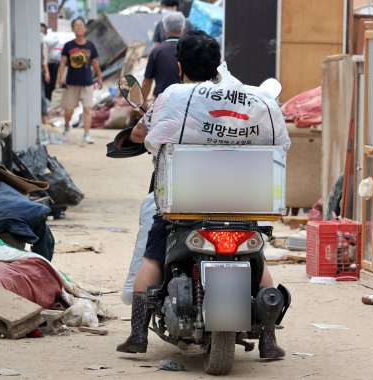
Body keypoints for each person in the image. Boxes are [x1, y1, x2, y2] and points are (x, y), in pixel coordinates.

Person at [116, 30, 290, 358]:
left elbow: (146, 135)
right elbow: (280, 143)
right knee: (258, 260)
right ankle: (268, 341)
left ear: (180, 65)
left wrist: (144, 126)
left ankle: (137, 334)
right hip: (241, 201)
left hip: (185, 206)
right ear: (217, 66)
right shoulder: (257, 101)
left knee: (153, 256)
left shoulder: (173, 97)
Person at [58, 17, 103, 144]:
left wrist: (99, 78)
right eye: (76, 25)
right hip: (71, 83)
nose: (78, 28)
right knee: (68, 110)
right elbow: (62, 63)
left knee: (87, 109)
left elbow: (95, 63)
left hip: (87, 83)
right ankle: (66, 128)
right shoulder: (68, 46)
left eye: (81, 25)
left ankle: (87, 134)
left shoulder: (90, 46)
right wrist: (61, 78)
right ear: (72, 29)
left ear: (85, 28)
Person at [142, 11, 185, 102]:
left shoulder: (157, 51)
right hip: (186, 101)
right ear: (183, 28)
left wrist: (143, 101)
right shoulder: (191, 49)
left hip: (162, 102)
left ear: (165, 29)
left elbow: (147, 81)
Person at [41, 24, 51, 125]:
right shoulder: (42, 43)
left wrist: (46, 72)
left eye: (42, 31)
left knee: (42, 96)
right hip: (39, 72)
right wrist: (46, 72)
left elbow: (45, 61)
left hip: (40, 72)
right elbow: (44, 61)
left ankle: (44, 118)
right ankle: (44, 118)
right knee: (41, 96)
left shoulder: (43, 43)